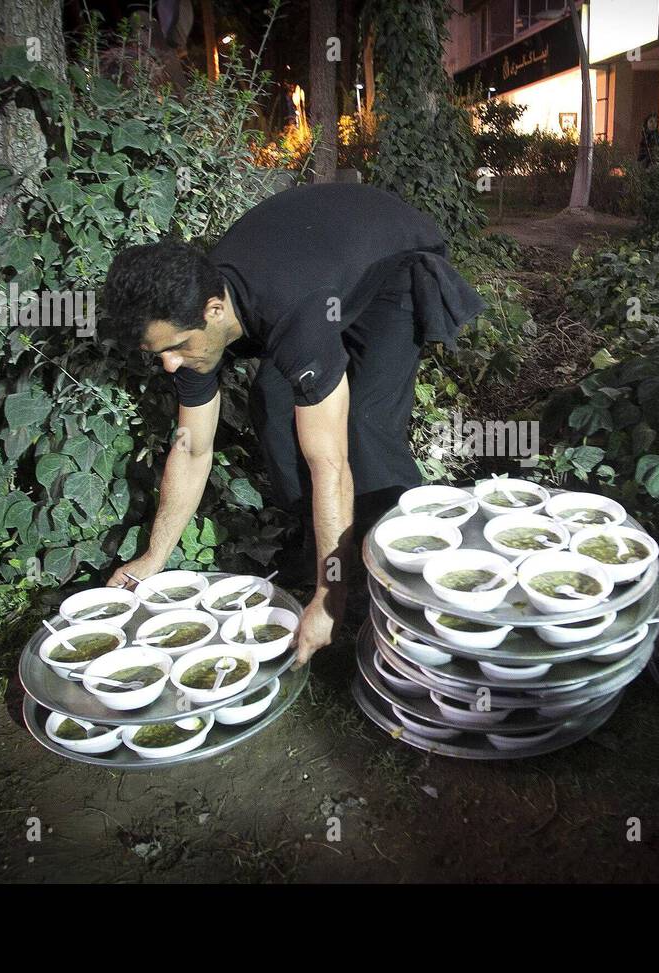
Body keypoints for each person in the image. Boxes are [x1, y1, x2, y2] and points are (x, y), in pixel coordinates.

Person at [100, 184, 486, 666]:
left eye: (176, 347)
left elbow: (330, 464)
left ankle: (410, 586)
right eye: (159, 354)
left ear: (214, 310)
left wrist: (330, 602)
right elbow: (193, 449)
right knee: (272, 401)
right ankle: (324, 552)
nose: (171, 365)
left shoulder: (290, 310)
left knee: (365, 428)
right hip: (321, 268)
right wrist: (153, 557)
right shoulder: (191, 319)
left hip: (394, 266)